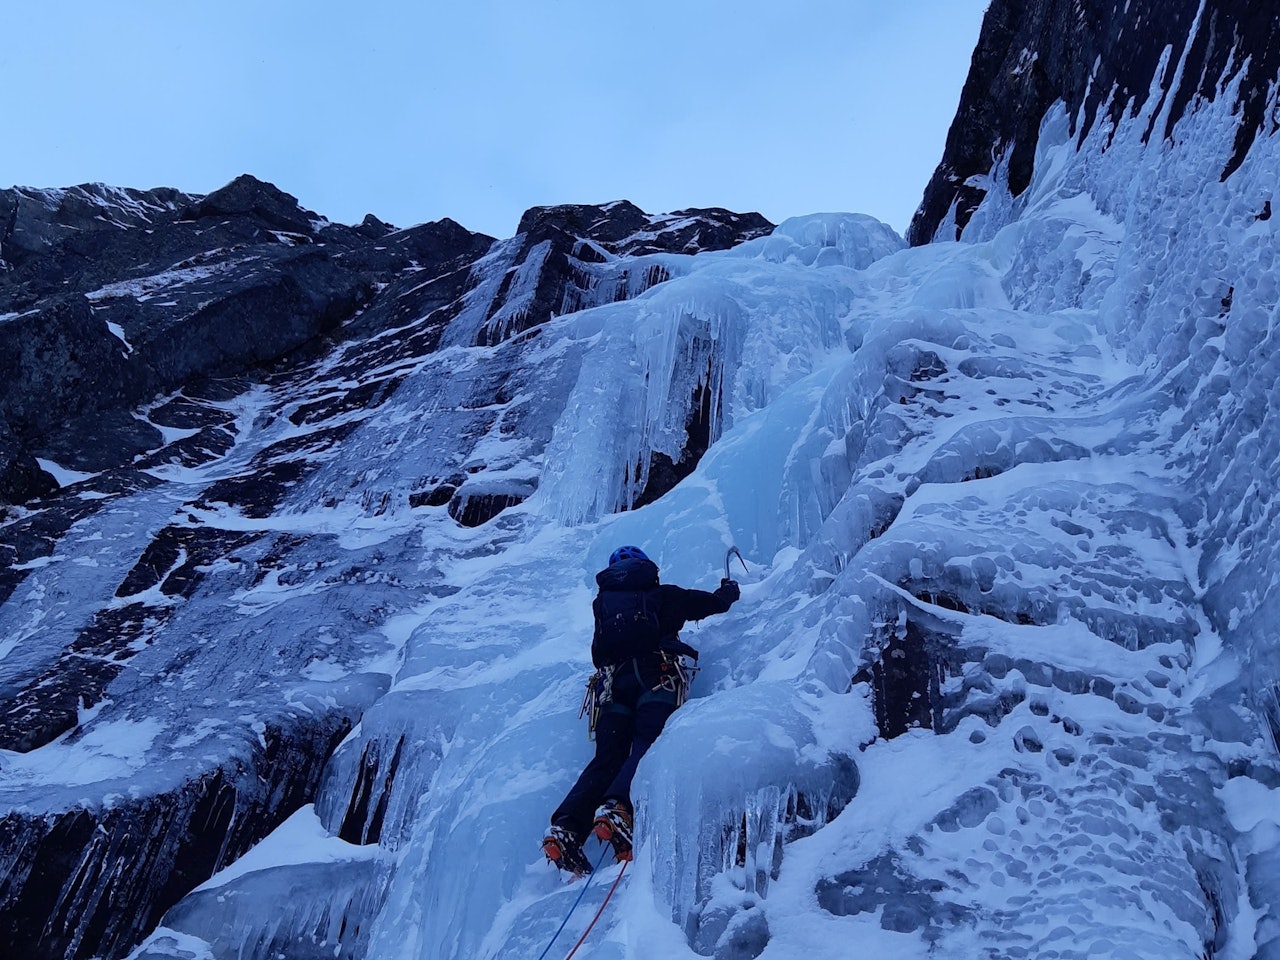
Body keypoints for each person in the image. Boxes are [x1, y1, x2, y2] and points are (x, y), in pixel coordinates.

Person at [542, 544, 740, 875]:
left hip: (611, 685)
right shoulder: (663, 595)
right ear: (647, 568)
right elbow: (712, 605)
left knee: (607, 758)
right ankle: (617, 808)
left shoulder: (602, 606)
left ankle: (566, 828)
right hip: (655, 675)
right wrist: (728, 592)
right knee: (648, 741)